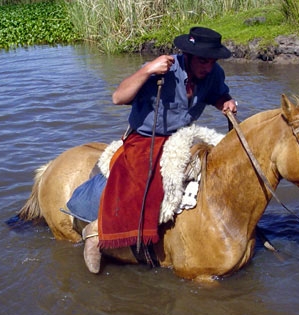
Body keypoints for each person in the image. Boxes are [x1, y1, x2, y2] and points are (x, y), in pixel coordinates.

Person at [83, 27, 237, 273]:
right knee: (144, 182)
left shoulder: (214, 74)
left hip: (184, 136)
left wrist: (225, 103)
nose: (207, 67)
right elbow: (118, 97)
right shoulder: (161, 70)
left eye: (212, 62)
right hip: (146, 138)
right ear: (187, 55)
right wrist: (147, 70)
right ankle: (97, 234)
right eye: (203, 61)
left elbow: (218, 94)